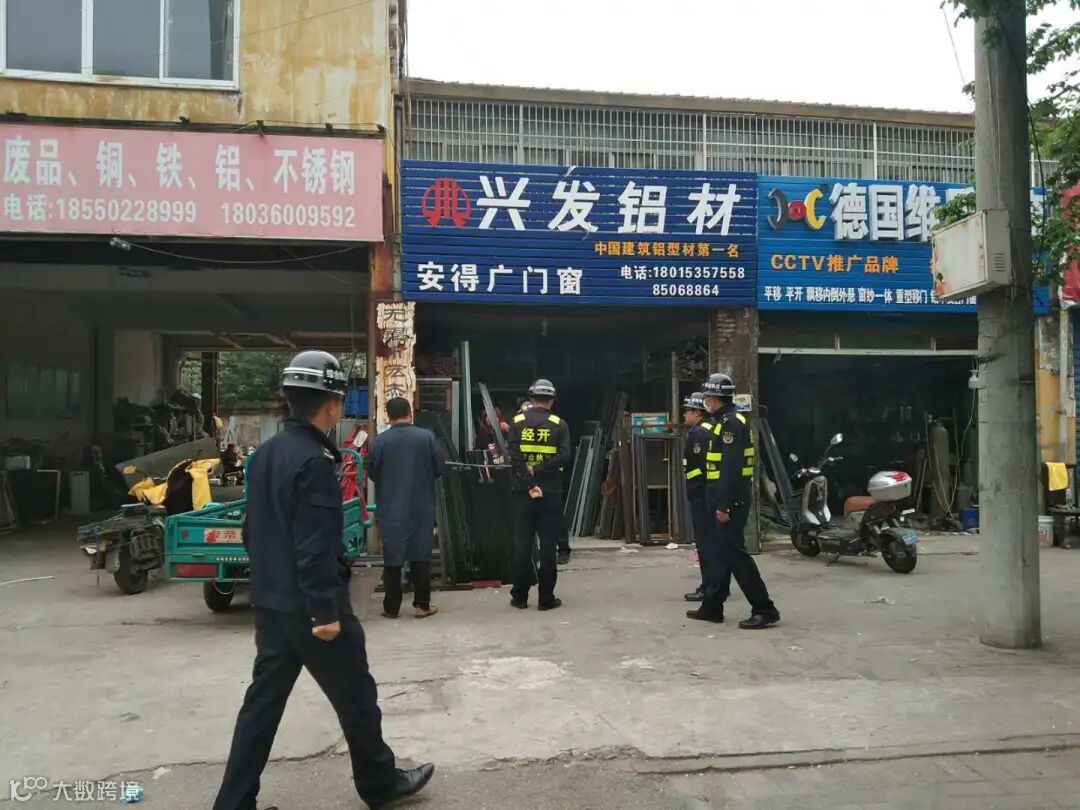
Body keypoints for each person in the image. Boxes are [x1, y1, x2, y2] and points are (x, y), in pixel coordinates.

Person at [213, 351, 434, 810]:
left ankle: (233, 803)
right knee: (357, 696)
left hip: (272, 603)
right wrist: (324, 611)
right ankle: (381, 786)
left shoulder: (267, 454)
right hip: (311, 608)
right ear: (332, 405)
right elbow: (314, 544)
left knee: (261, 706)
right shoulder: (313, 461)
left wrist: (270, 584)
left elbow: (253, 530)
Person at [687, 372, 781, 630]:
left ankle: (765, 608)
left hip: (731, 502)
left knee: (736, 556)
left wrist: (723, 505)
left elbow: (730, 468)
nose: (705, 401)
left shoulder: (731, 424)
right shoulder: (723, 422)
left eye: (707, 397)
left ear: (715, 399)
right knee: (720, 554)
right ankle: (712, 606)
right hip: (722, 498)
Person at [368, 397, 445, 619]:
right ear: (410, 413)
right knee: (421, 555)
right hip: (421, 505)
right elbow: (439, 467)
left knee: (393, 559)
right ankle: (422, 606)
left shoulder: (380, 442)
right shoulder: (426, 437)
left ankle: (391, 608)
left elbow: (372, 472)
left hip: (391, 508)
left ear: (388, 416)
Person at [507, 378, 571, 610]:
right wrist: (541, 470)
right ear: (552, 400)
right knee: (548, 546)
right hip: (550, 492)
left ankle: (520, 597)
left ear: (531, 398)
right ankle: (546, 598)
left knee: (522, 545)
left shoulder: (516, 422)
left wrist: (528, 479)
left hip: (523, 492)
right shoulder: (559, 425)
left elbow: (514, 457)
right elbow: (565, 456)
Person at [681, 392, 714, 602]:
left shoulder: (699, 434)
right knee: (712, 543)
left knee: (705, 544)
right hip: (707, 495)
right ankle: (716, 584)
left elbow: (700, 467)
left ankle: (709, 586)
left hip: (702, 496)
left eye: (687, 411)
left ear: (697, 413)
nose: (684, 415)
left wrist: (695, 491)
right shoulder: (709, 430)